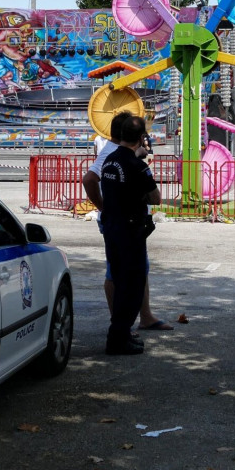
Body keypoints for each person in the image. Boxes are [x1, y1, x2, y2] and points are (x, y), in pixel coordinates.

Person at [82, 113, 173, 333]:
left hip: (126, 220)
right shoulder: (111, 153)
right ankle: (120, 325)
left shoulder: (122, 153)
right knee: (116, 272)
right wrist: (104, 207)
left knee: (139, 269)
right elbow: (89, 179)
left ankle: (144, 316)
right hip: (120, 222)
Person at [97, 115, 161, 355]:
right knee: (132, 287)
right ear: (141, 138)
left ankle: (120, 334)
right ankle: (118, 338)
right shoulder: (137, 167)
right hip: (130, 231)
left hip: (112, 228)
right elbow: (155, 198)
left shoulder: (110, 160)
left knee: (119, 280)